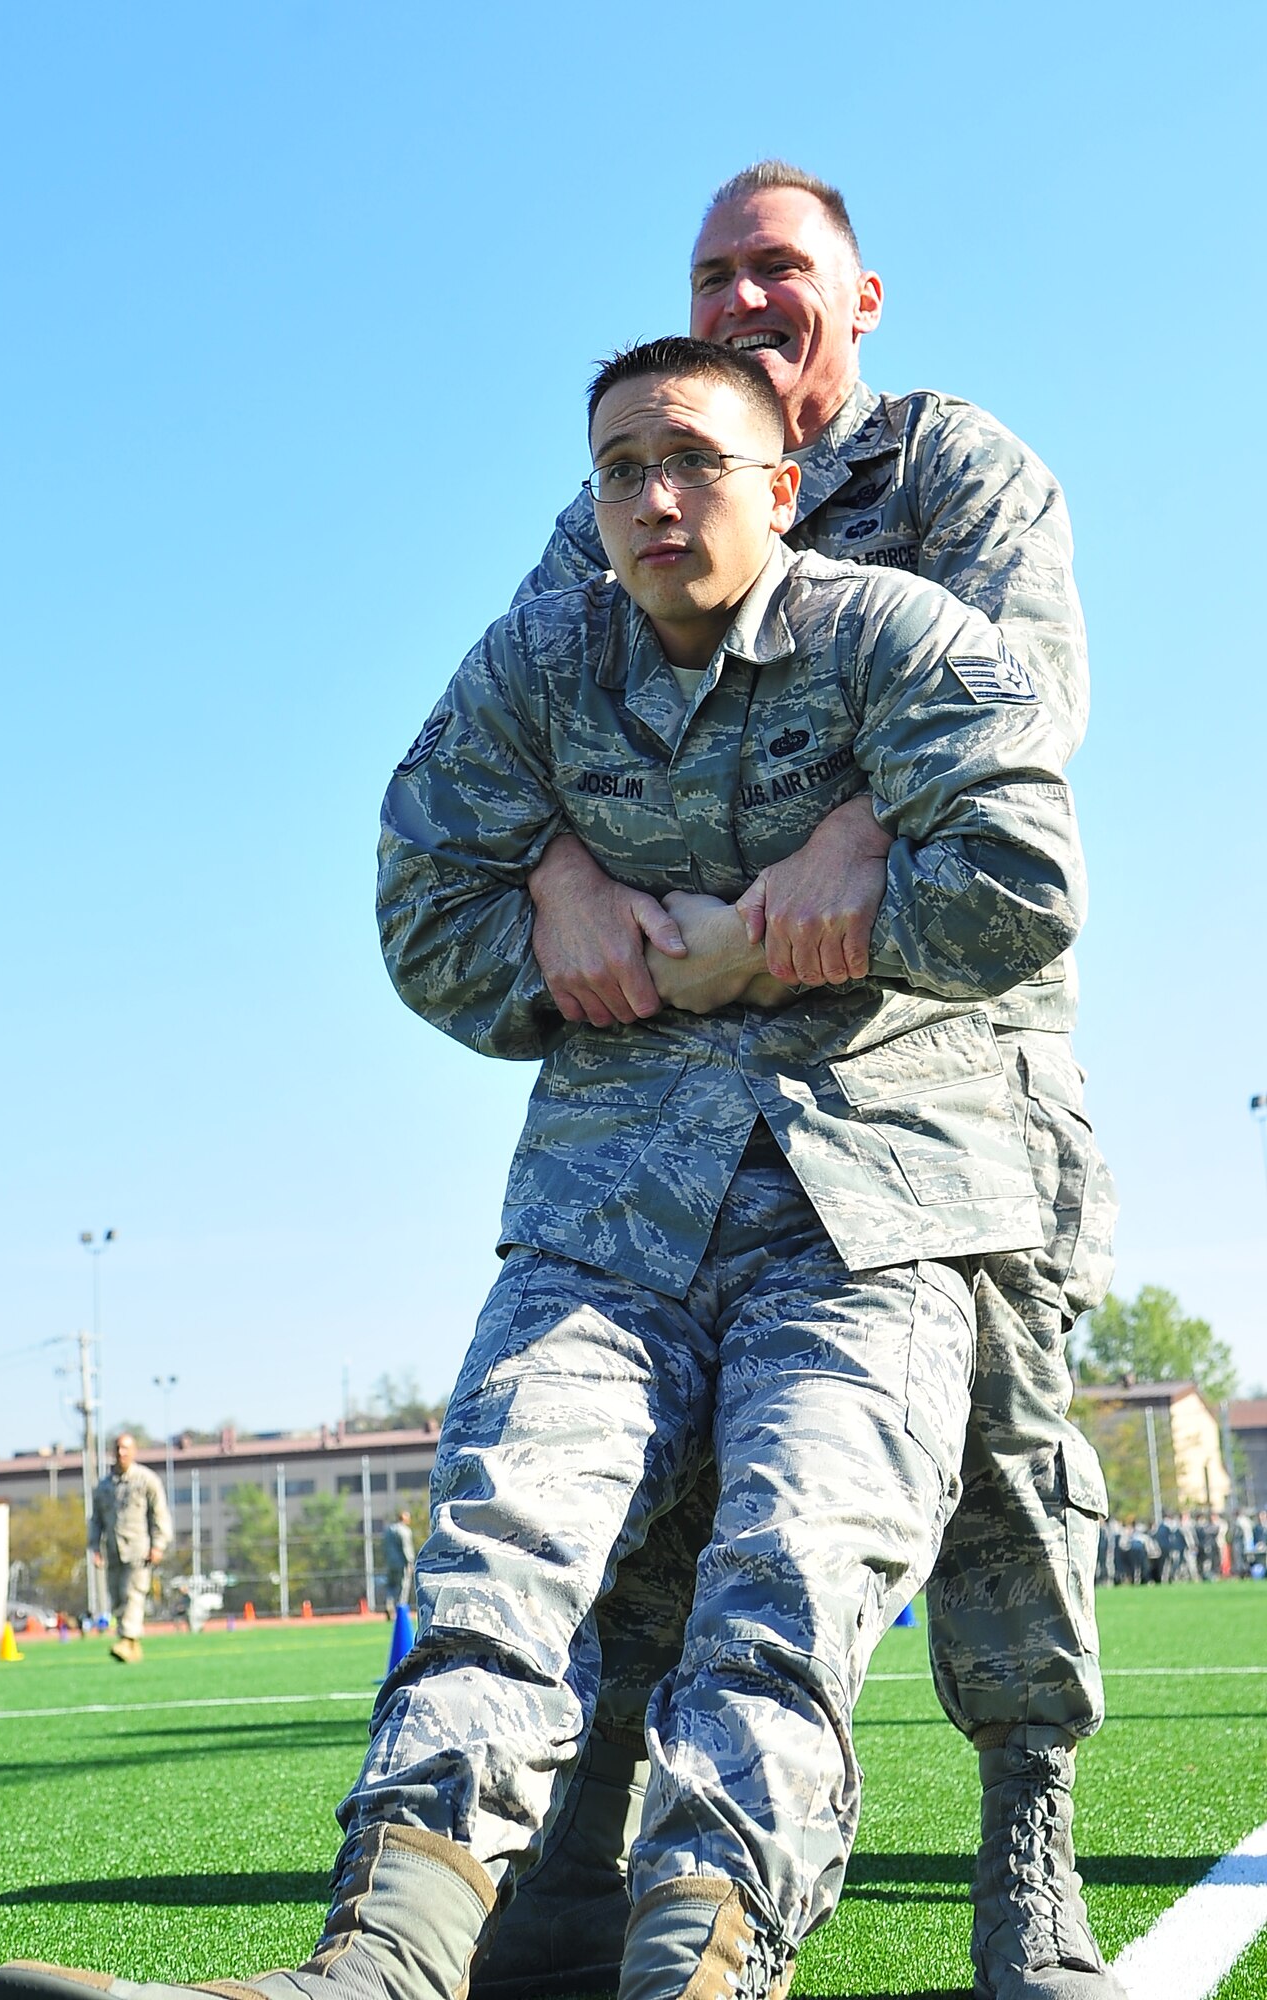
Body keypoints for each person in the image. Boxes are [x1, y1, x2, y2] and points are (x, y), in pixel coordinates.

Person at [0, 337, 1087, 2000]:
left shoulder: (892, 632)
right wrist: (561, 937)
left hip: (863, 1209)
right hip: (607, 1215)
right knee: (498, 1548)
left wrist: (786, 940)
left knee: (786, 1576)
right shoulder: (537, 666)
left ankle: (700, 1959)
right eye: (617, 463)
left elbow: (1020, 873)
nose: (650, 494)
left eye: (691, 458)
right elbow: (422, 897)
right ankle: (391, 1956)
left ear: (781, 486)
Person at [481, 162, 1119, 2000]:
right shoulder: (633, 490)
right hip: (685, 1081)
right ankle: (581, 1876)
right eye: (712, 271)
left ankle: (1026, 1868)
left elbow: (1020, 707)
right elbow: (512, 718)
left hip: (943, 1063)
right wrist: (554, 874)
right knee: (648, 1481)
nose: (744, 296)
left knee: (998, 1463)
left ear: (859, 296)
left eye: (778, 267)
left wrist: (853, 832)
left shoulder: (955, 473)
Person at [87, 1433, 171, 1664]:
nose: (121, 1453)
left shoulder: (146, 1480)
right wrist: (94, 1547)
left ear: (134, 1451)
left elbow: (159, 1514)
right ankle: (132, 1647)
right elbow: (96, 1520)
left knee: (133, 1594)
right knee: (117, 1598)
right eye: (117, 1448)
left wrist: (158, 1545)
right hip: (113, 1549)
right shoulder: (104, 1487)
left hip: (139, 1549)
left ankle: (126, 1639)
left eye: (126, 1448)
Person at [381, 1509, 415, 1614]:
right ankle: (400, 1609)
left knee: (391, 1585)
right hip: (401, 1563)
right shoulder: (404, 1530)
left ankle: (389, 1604)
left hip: (390, 1562)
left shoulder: (388, 1530)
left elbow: (384, 1547)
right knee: (403, 1586)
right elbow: (406, 1548)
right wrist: (410, 1562)